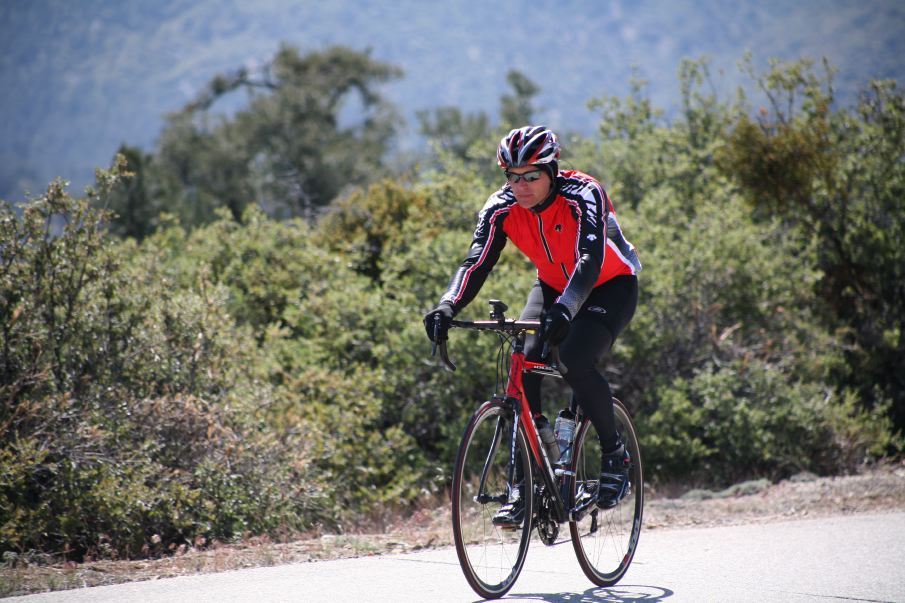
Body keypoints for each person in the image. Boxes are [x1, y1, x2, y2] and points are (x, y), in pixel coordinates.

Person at [424, 125, 641, 525]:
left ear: (552, 170)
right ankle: (526, 481)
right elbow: (476, 261)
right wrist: (447, 305)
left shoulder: (583, 194)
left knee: (574, 357)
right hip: (553, 286)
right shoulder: (500, 207)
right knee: (523, 365)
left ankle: (615, 455)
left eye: (530, 176)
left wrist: (567, 309)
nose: (520, 186)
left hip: (608, 285)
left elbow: (589, 262)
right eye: (512, 176)